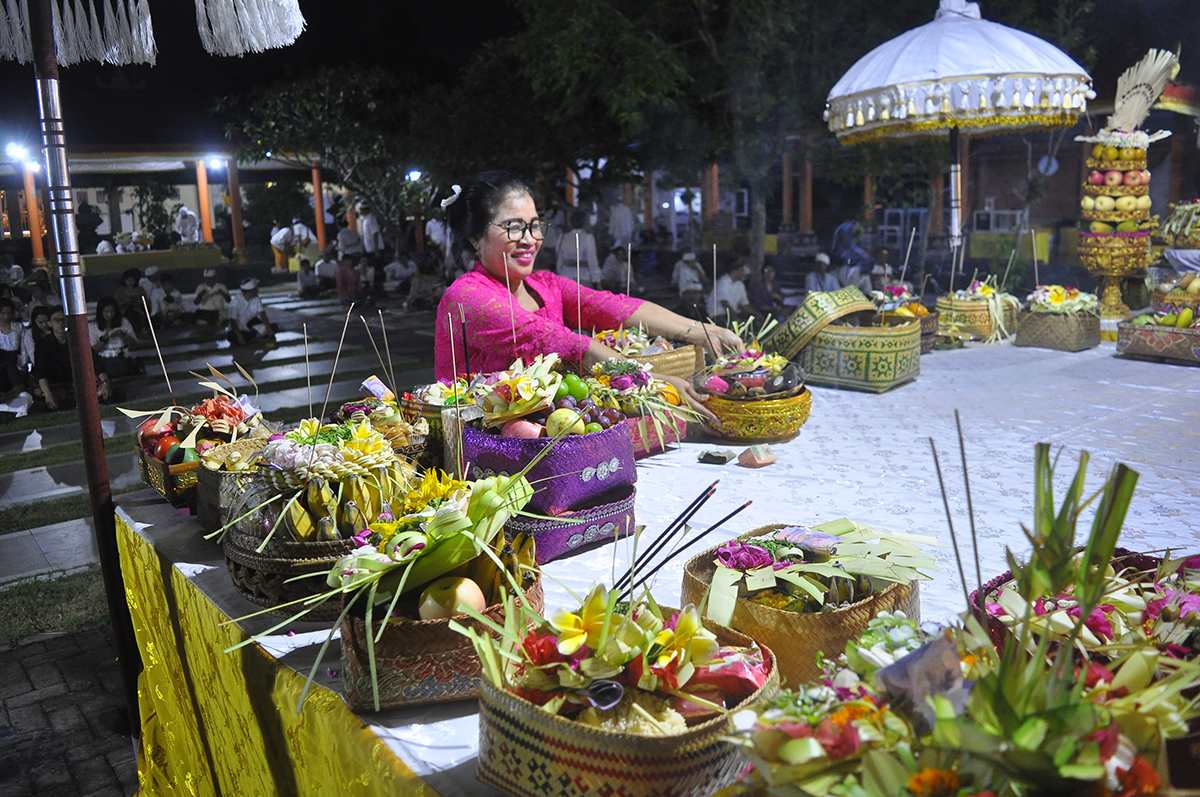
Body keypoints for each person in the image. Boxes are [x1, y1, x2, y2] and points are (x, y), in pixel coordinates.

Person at [434, 171, 742, 418]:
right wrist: (649, 379)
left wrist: (702, 330)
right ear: (476, 237)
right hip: (481, 443)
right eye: (514, 228)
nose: (529, 240)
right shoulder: (468, 297)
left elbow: (616, 307)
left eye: (535, 226)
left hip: (553, 433)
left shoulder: (546, 285)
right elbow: (569, 344)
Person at [33, 308, 112, 411]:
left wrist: (105, 383)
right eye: (56, 321)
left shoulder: (78, 340)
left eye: (64, 320)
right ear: (50, 323)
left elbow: (95, 362)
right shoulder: (43, 344)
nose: (61, 323)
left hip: (78, 383)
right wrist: (48, 394)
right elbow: (41, 371)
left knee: (107, 392)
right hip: (56, 384)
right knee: (42, 400)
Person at [89, 297, 142, 378]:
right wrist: (105, 338)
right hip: (103, 359)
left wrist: (123, 335)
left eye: (112, 311)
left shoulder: (124, 322)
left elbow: (134, 343)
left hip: (122, 356)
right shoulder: (93, 326)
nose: (109, 315)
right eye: (106, 312)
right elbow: (93, 350)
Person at [0, 298, 34, 398]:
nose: (6, 316)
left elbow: (23, 346)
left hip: (16, 359)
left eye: (9, 313)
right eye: (3, 313)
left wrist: (23, 363)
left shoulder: (18, 326)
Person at [556, 211, 599, 286]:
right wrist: (597, 279)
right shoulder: (588, 238)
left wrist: (559, 272)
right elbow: (592, 261)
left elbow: (559, 258)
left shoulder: (562, 237)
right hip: (583, 277)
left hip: (565, 276)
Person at [228, 279, 275, 346]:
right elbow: (232, 321)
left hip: (253, 327)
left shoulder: (256, 299)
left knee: (273, 327)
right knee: (232, 336)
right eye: (256, 289)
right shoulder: (235, 302)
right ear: (251, 291)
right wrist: (239, 336)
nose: (257, 290)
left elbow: (262, 314)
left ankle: (252, 339)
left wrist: (268, 327)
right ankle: (256, 338)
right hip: (240, 329)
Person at [357, 203, 385, 295]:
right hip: (369, 248)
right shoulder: (365, 220)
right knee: (371, 268)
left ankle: (379, 287)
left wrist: (376, 249)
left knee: (377, 269)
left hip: (375, 249)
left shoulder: (371, 219)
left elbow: (375, 233)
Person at [676, 252, 707, 317]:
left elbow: (705, 280)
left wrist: (697, 269)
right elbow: (674, 282)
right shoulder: (679, 266)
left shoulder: (698, 266)